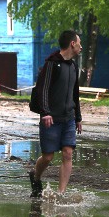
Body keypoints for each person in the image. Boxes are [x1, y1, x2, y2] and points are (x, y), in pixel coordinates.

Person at [29, 30, 82, 198]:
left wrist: (78, 117)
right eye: (79, 43)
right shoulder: (52, 63)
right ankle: (36, 177)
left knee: (68, 152)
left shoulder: (73, 66)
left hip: (68, 118)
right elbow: (42, 89)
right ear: (72, 44)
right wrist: (45, 112)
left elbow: (75, 94)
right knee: (48, 157)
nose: (81, 47)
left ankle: (61, 193)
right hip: (51, 119)